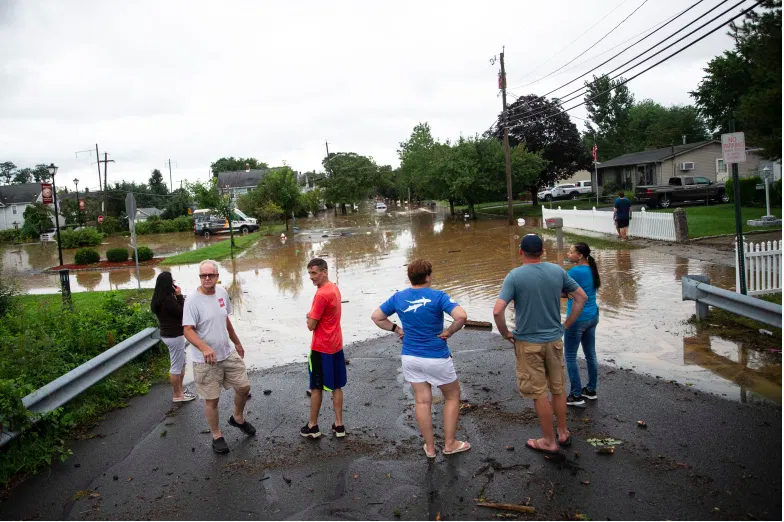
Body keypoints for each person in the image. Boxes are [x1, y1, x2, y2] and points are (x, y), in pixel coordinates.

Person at [492, 234, 587, 455]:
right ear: (543, 251)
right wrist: (567, 324)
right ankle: (563, 433)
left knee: (539, 392)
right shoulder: (557, 271)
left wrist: (506, 333)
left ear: (520, 251)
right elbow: (581, 297)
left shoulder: (514, 276)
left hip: (527, 343)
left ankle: (548, 441)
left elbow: (497, 310)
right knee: (557, 388)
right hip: (554, 341)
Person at [371, 259, 471, 458]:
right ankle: (450, 444)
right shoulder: (438, 296)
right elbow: (461, 316)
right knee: (451, 396)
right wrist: (449, 331)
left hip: (410, 357)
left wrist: (397, 329)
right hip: (436, 356)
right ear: (427, 276)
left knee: (422, 402)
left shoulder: (398, 297)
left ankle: (430, 448)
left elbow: (376, 316)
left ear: (410, 277)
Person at [183, 260, 254, 454]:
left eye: (210, 275)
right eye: (203, 275)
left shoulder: (222, 292)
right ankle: (217, 435)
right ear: (200, 277)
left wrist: (237, 342)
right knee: (212, 400)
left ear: (217, 276)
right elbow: (187, 330)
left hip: (227, 352)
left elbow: (225, 320)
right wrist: (204, 348)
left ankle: (237, 418)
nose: (207, 279)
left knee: (243, 387)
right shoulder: (192, 300)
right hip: (205, 360)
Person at [302, 258, 346, 439]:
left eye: (314, 273)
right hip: (336, 344)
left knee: (316, 387)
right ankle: (339, 425)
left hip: (321, 347)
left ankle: (312, 426)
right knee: (336, 386)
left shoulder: (321, 294)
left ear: (324, 272)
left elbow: (311, 325)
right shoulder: (334, 287)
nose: (311, 277)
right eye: (309, 273)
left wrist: (308, 316)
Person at [563, 243, 601, 407]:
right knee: (590, 354)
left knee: (570, 356)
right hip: (592, 316)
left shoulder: (574, 272)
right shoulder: (591, 268)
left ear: (579, 256)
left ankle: (576, 394)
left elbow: (561, 291)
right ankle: (591, 390)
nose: (568, 254)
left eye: (571, 252)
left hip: (577, 318)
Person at [151, 271, 195, 403]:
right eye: (172, 282)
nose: (174, 284)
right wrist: (180, 296)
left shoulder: (157, 298)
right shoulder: (168, 300)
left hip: (168, 335)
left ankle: (180, 390)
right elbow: (183, 313)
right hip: (174, 336)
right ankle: (177, 395)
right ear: (168, 284)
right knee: (176, 366)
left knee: (181, 363)